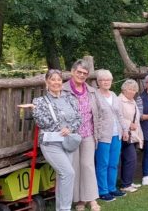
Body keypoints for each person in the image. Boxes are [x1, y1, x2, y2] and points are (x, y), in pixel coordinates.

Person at [32, 69, 81, 211]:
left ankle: (61, 208)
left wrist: (70, 129)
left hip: (68, 142)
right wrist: (60, 128)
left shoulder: (70, 98)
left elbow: (79, 118)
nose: (56, 82)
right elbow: (42, 123)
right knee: (68, 173)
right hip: (51, 143)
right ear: (47, 82)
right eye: (53, 79)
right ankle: (65, 209)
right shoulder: (39, 101)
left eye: (59, 80)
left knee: (62, 176)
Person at [62, 59, 101, 210]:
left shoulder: (91, 91)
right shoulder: (63, 89)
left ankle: (91, 199)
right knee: (74, 167)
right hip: (70, 136)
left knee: (88, 165)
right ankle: (79, 200)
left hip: (88, 134)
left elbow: (97, 113)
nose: (82, 75)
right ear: (72, 72)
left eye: (85, 73)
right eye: (79, 72)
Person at [95, 69, 129, 201]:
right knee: (103, 164)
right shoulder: (95, 96)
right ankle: (102, 191)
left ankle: (112, 188)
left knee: (113, 163)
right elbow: (95, 117)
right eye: (103, 80)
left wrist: (125, 130)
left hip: (117, 134)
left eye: (108, 80)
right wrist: (96, 136)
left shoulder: (114, 95)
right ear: (98, 82)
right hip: (103, 135)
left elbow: (120, 115)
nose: (106, 82)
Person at [118, 79, 143, 193]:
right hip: (125, 134)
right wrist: (129, 124)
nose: (132, 91)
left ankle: (128, 182)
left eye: (134, 90)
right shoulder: (119, 101)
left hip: (132, 134)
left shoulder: (132, 101)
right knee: (130, 158)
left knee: (130, 159)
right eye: (130, 89)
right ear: (124, 89)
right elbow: (118, 117)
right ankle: (125, 184)